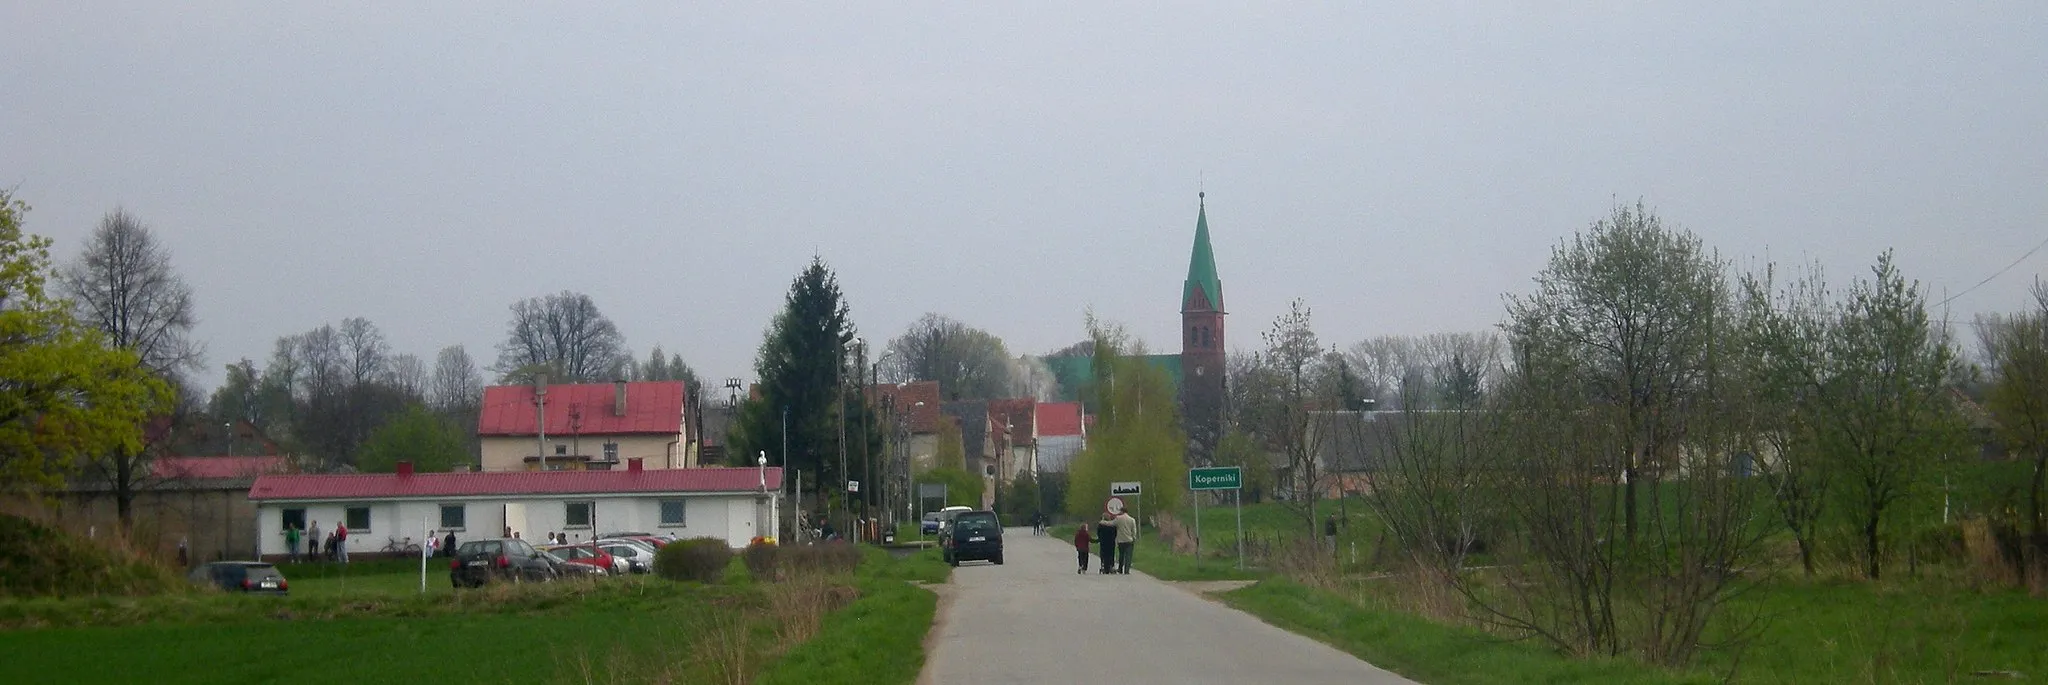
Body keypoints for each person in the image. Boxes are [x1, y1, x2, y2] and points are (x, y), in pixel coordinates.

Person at [1114, 509, 1137, 575]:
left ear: (1122, 511)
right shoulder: (1132, 519)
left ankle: (1120, 569)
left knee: (1121, 555)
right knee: (1128, 556)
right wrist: (1133, 537)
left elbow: (1111, 523)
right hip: (1129, 540)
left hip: (1121, 540)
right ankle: (1127, 570)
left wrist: (1103, 522)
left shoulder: (1118, 518)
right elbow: (1134, 530)